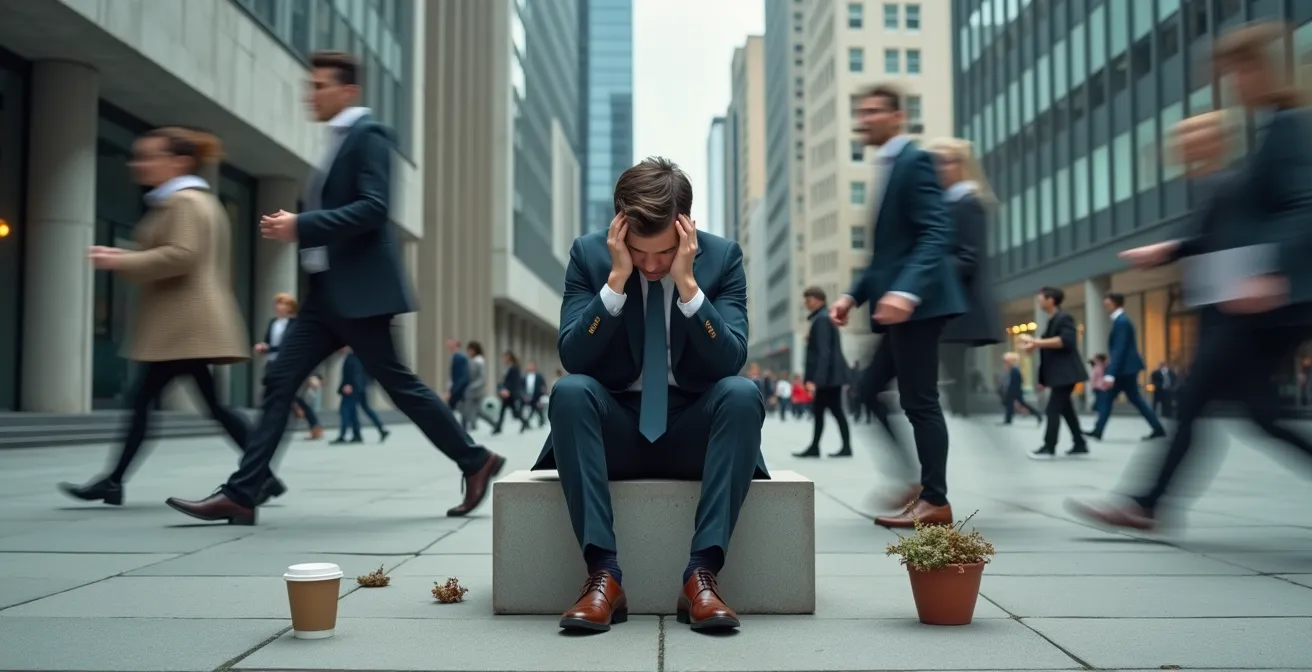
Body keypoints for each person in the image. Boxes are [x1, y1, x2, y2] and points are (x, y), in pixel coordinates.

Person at [165, 50, 504, 525]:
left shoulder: (370, 137)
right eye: (310, 85)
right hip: (326, 297)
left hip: (361, 295)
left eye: (319, 86)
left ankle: (475, 460)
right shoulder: (335, 144)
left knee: (399, 386)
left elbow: (374, 208)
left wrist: (303, 224)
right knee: (280, 380)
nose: (311, 94)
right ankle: (243, 493)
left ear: (348, 91)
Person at [1068, 28, 1312, 529]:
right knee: (1259, 414)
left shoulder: (1285, 127)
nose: (1233, 85)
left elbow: (1303, 204)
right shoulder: (1270, 129)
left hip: (1267, 302)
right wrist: (1171, 248)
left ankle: (1146, 503)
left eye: (1238, 72)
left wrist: (1273, 272)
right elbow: (1236, 225)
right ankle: (1147, 503)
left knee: (1199, 397)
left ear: (1261, 69)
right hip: (1254, 304)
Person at [537, 157, 767, 633]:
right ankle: (603, 577)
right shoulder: (590, 257)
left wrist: (688, 286)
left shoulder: (723, 259)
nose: (652, 264)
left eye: (664, 252)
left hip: (693, 436)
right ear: (620, 231)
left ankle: (702, 577)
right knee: (572, 391)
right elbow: (574, 356)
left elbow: (730, 360)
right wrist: (616, 282)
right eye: (639, 252)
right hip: (615, 432)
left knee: (741, 394)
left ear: (685, 230)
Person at [60, 127, 281, 506]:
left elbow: (182, 254)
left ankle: (113, 481)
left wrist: (120, 259)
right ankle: (264, 476)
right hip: (185, 323)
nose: (139, 164)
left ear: (178, 161)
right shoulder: (192, 201)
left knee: (149, 401)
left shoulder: (184, 203)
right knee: (196, 404)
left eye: (148, 156)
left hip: (184, 323)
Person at [828, 84, 967, 528]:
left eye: (872, 111)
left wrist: (906, 291)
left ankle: (935, 500)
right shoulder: (888, 167)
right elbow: (885, 254)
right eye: (860, 111)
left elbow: (935, 233)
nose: (862, 119)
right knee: (866, 391)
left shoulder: (915, 161)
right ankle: (915, 485)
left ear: (897, 116)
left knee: (920, 400)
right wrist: (853, 295)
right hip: (897, 307)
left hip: (919, 306)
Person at [928, 137, 1003, 417]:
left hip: (960, 309)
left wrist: (928, 268)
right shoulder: (949, 203)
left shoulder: (967, 203)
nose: (940, 168)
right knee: (953, 392)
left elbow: (969, 259)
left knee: (955, 393)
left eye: (946, 161)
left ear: (962, 165)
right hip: (951, 309)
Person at [1082, 293, 1167, 441]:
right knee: (1119, 399)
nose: (1105, 305)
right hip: (1125, 369)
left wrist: (1110, 374)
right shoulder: (1120, 321)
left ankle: (1098, 430)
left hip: (1124, 370)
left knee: (1127, 399)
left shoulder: (1121, 321)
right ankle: (1098, 430)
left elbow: (1119, 349)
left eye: (1107, 303)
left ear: (1114, 303)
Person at [1021, 286, 1089, 459]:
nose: (1038, 300)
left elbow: (1066, 341)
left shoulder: (1064, 318)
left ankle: (1049, 447)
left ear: (1051, 300)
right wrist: (1034, 345)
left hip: (1066, 374)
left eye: (1041, 297)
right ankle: (1079, 443)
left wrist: (1035, 342)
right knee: (1066, 410)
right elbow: (1048, 342)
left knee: (1052, 410)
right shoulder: (1053, 319)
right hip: (1061, 375)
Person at [796, 286, 852, 458]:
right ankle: (819, 447)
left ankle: (834, 447)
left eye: (808, 299)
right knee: (825, 411)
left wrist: (815, 380)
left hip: (828, 378)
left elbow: (824, 352)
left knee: (831, 411)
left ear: (818, 299)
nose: (806, 303)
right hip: (830, 377)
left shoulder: (821, 320)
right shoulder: (823, 318)